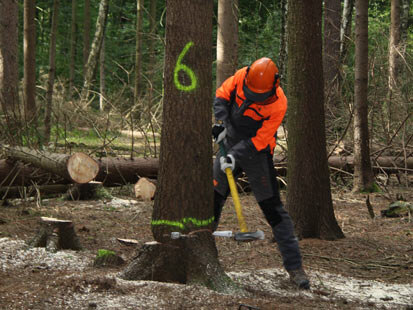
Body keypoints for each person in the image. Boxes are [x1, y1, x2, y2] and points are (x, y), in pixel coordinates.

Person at [211, 57, 310, 290]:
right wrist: (221, 124)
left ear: (274, 85)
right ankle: (204, 253)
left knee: (273, 209)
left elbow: (261, 139)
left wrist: (234, 156)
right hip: (230, 140)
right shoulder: (241, 76)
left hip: (257, 152)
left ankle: (295, 268)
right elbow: (221, 97)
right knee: (212, 198)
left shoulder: (279, 103)